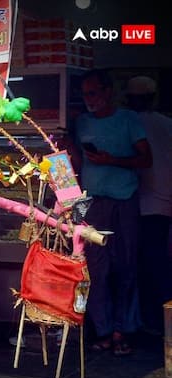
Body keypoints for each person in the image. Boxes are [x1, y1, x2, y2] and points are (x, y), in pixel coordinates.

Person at [69, 69, 152, 356]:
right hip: (92, 204)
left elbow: (146, 159)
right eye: (85, 94)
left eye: (93, 93)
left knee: (126, 266)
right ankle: (103, 331)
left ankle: (122, 330)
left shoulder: (128, 120)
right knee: (96, 269)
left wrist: (111, 160)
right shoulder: (81, 123)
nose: (88, 99)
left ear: (107, 92)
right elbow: (78, 162)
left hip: (124, 202)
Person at [125, 75, 172, 334]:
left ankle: (147, 322)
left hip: (137, 204)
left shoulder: (127, 123)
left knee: (139, 266)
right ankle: (162, 323)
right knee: (159, 265)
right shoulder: (168, 124)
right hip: (163, 205)